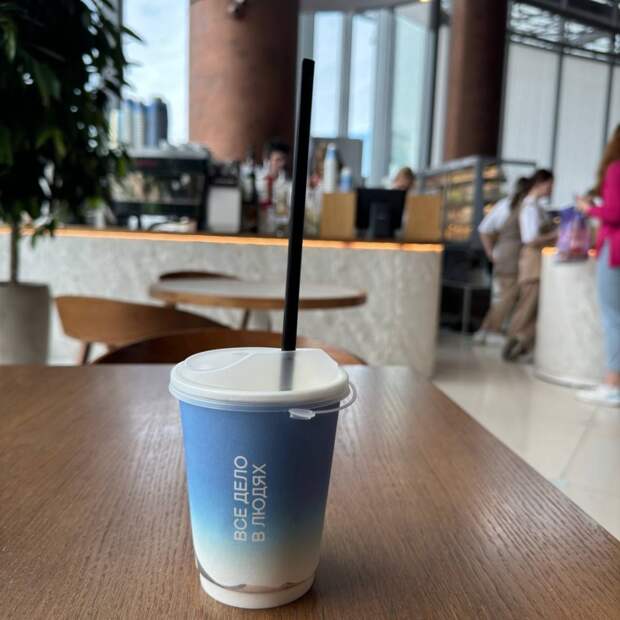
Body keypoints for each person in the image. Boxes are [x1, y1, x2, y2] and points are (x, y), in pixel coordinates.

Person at [576, 125, 620, 407]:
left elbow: (615, 213)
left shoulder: (615, 168)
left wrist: (588, 209)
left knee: (613, 318)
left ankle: (612, 385)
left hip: (615, 250)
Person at [503, 169, 557, 361]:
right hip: (532, 261)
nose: (551, 189)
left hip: (536, 260)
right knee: (527, 306)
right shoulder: (529, 208)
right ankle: (512, 344)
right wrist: (555, 235)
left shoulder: (537, 207)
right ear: (541, 183)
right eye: (550, 185)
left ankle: (523, 345)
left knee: (532, 307)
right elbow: (530, 238)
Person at [473, 176, 532, 345]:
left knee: (504, 296)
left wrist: (492, 252)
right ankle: (492, 330)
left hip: (503, 255)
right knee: (508, 296)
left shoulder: (504, 205)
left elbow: (484, 229)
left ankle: (485, 330)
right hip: (512, 257)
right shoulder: (523, 207)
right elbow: (484, 230)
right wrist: (490, 252)